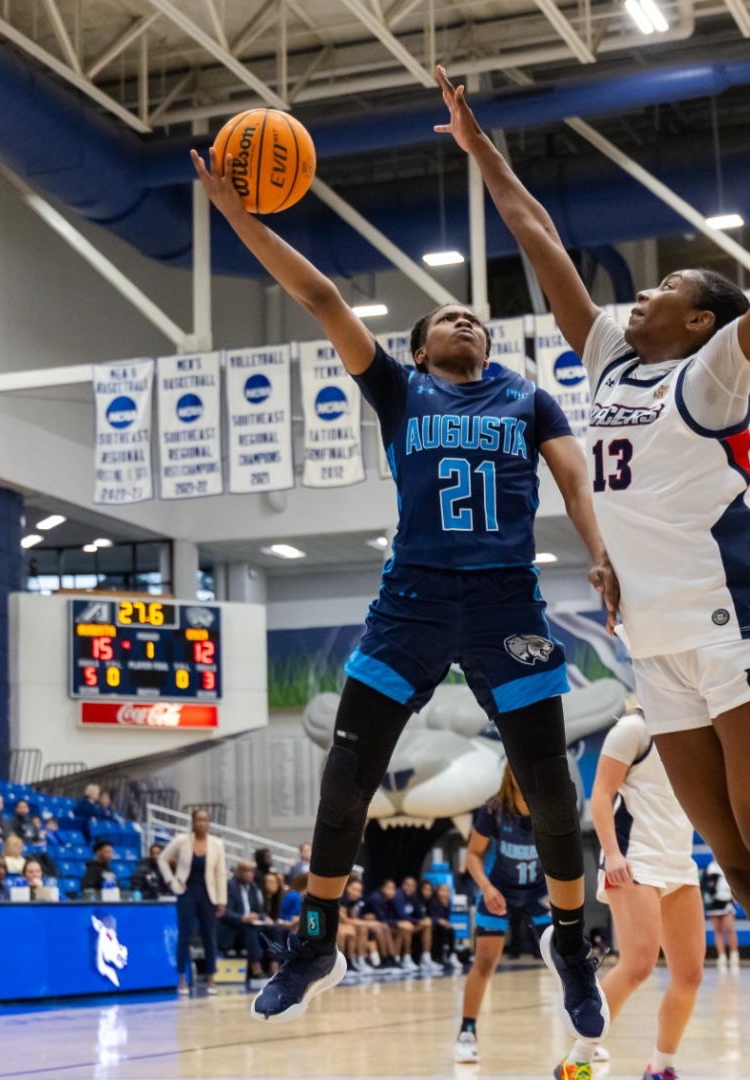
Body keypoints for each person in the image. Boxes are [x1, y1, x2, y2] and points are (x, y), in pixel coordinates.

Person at [443, 31, 750, 1080]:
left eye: (662, 290)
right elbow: (540, 240)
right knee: (737, 867)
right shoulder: (608, 355)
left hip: (734, 628)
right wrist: (483, 151)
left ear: (700, 320)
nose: (638, 296)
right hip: (653, 649)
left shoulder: (712, 376)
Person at [198, 103, 614, 1034]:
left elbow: (576, 477)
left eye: (476, 317)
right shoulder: (397, 388)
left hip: (507, 598)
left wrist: (599, 558)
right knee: (347, 782)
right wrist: (241, 217)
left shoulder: (527, 397)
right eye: (445, 317)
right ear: (421, 346)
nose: (465, 317)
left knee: (549, 789)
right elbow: (322, 299)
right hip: (413, 603)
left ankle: (571, 941)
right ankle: (315, 943)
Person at [562, 704, 705, 1078]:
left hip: (679, 862)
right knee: (638, 966)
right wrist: (611, 854)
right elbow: (600, 795)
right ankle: (577, 1059)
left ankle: (661, 1068)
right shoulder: (632, 730)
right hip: (633, 857)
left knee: (689, 976)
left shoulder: (693, 729)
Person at [458, 768, 551, 1064]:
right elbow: (472, 855)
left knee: (564, 962)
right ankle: (466, 1033)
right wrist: (485, 888)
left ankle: (583, 1040)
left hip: (538, 893)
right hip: (498, 891)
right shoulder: (493, 809)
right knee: (484, 962)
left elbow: (563, 855)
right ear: (510, 773)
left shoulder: (549, 805)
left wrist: (558, 895)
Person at [159, 808, 228, 996]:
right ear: (192, 822)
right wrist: (171, 881)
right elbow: (163, 859)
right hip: (186, 893)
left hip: (208, 895)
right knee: (185, 936)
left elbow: (221, 873)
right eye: (199, 820)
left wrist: (222, 900)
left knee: (209, 937)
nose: (202, 823)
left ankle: (211, 977)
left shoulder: (217, 844)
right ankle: (182, 977)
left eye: (206, 820)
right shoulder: (182, 841)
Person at [221, 861, 271, 984]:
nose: (249, 874)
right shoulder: (229, 886)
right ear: (238, 872)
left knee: (275, 929)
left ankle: (275, 967)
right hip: (233, 928)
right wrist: (243, 918)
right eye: (246, 871)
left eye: (251, 871)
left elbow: (259, 911)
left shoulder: (253, 888)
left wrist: (264, 917)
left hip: (252, 924)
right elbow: (224, 912)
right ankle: (256, 967)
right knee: (250, 928)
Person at [702, 860, 738, 966]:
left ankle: (734, 955)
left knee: (730, 928)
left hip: (727, 902)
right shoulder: (709, 868)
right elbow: (704, 884)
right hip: (714, 903)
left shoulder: (727, 865)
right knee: (717, 930)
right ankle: (721, 956)